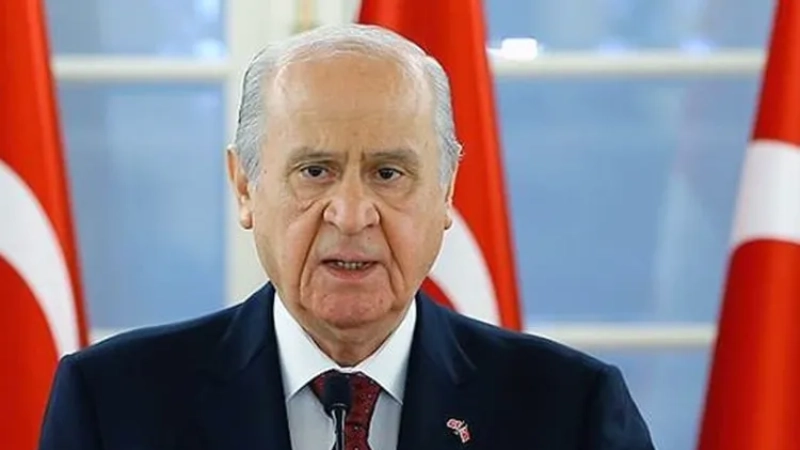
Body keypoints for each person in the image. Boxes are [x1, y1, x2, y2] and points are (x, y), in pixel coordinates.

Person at [39, 24, 655, 450]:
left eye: (388, 173)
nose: (353, 215)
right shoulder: (113, 404)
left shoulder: (571, 411)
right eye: (315, 171)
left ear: (445, 193)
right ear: (245, 187)